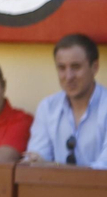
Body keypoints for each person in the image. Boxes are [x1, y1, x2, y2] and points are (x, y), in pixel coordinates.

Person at [24, 34, 105, 167]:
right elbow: (36, 161)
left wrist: (55, 167)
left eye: (76, 67)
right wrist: (38, 162)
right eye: (62, 68)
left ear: (94, 67)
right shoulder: (48, 107)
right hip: (55, 187)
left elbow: (104, 168)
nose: (68, 76)